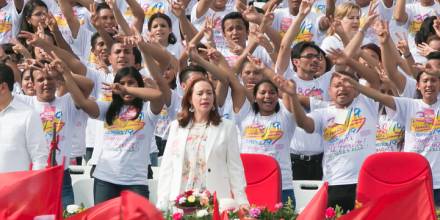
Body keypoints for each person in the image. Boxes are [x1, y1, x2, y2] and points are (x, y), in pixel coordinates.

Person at [157, 77, 249, 211]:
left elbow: (235, 168)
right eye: (200, 93)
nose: (205, 97)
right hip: (181, 200)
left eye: (209, 93)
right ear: (190, 99)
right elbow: (167, 167)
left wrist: (242, 201)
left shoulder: (227, 127)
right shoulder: (177, 126)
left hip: (214, 200)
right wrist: (162, 202)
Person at [0, 63, 47, 172]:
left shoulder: (28, 115)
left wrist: (35, 186)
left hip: (17, 187)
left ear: (3, 87)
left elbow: (39, 158)